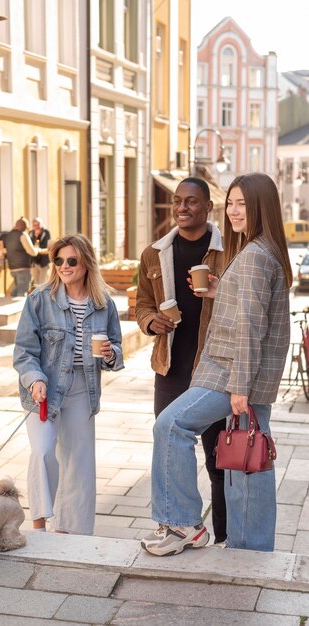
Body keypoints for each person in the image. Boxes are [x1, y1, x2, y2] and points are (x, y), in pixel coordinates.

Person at [141, 173, 292, 556]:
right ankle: (249, 547)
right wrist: (217, 290)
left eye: (242, 204)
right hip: (242, 373)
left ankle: (181, 524)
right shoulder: (260, 249)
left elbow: (250, 326)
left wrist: (240, 385)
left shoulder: (256, 255)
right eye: (232, 203)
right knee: (246, 459)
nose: (234, 211)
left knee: (171, 425)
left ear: (261, 207)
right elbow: (248, 308)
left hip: (231, 373)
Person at [135, 176, 227, 544]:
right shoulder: (154, 254)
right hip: (171, 368)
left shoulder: (227, 250)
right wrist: (149, 321)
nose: (182, 208)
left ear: (208, 207)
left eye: (191, 202)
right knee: (169, 446)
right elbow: (142, 303)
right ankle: (176, 525)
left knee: (220, 460)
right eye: (177, 201)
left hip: (213, 368)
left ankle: (226, 536)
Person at [13, 234, 124, 534]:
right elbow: (24, 352)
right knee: (43, 452)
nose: (64, 266)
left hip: (82, 387)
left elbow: (116, 349)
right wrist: (35, 379)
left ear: (87, 263)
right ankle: (38, 527)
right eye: (59, 260)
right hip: (44, 389)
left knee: (79, 463)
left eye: (72, 260)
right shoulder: (39, 299)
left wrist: (111, 353)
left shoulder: (103, 304)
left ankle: (71, 532)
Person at [4, 218, 39, 297]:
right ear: (24, 227)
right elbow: (32, 251)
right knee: (22, 293)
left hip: (12, 267)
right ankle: (21, 308)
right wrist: (36, 248)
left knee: (15, 290)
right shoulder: (23, 235)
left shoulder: (8, 235)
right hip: (23, 267)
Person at [30, 217, 51, 286]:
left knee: (43, 283)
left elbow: (45, 245)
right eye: (34, 225)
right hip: (34, 262)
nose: (36, 227)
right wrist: (36, 237)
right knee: (36, 283)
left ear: (41, 224)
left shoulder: (46, 232)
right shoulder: (30, 233)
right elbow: (31, 246)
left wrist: (37, 237)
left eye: (38, 225)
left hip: (43, 262)